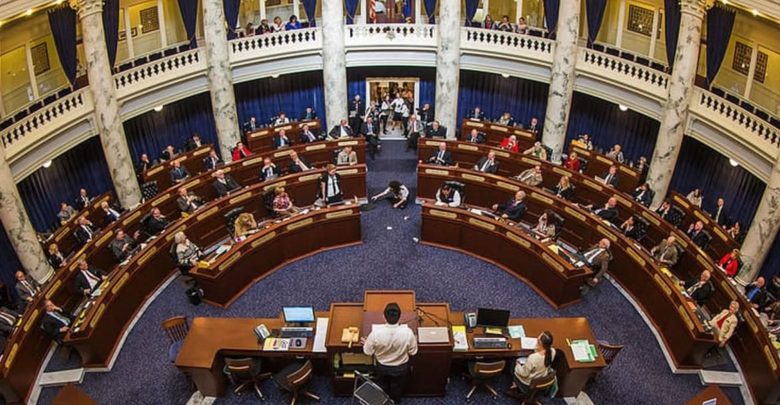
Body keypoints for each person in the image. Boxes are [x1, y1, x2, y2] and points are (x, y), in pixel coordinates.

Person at [360, 303, 417, 403]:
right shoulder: (408, 333)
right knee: (397, 386)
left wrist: (367, 343)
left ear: (384, 317)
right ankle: (395, 401)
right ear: (400, 316)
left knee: (382, 385)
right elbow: (413, 352)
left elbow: (367, 352)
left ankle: (382, 401)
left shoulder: (375, 334)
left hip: (382, 367)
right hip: (401, 368)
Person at [507, 331, 555, 398]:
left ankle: (516, 384)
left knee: (512, 363)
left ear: (540, 343)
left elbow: (524, 373)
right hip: (540, 377)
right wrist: (538, 348)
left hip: (528, 383)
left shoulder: (533, 358)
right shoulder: (553, 351)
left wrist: (517, 365)